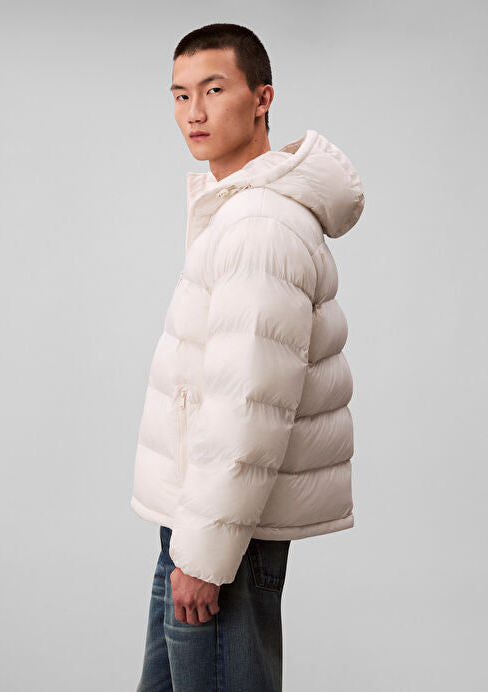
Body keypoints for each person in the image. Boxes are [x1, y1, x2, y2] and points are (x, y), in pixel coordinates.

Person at [131, 22, 365, 692]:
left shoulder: (259, 226)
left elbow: (247, 405)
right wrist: (194, 542)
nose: (194, 112)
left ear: (262, 98)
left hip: (222, 536)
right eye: (180, 95)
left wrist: (205, 557)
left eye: (213, 89)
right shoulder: (237, 214)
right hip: (200, 521)